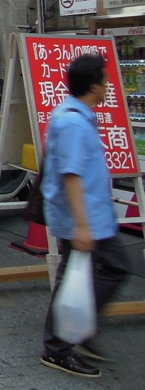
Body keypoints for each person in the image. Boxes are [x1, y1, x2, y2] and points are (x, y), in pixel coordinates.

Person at [41, 53, 130, 379]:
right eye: (105, 80)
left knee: (95, 273)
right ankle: (59, 346)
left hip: (93, 217)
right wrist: (81, 224)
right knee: (89, 275)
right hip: (84, 219)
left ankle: (76, 330)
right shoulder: (72, 122)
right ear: (93, 85)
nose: (109, 85)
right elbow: (72, 176)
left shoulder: (78, 115)